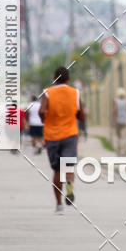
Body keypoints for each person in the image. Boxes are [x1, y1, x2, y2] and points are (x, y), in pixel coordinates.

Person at [39, 66, 85, 214]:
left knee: (57, 170)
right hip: (70, 134)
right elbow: (82, 115)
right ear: (69, 79)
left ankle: (59, 204)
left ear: (54, 78)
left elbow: (41, 111)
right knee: (69, 165)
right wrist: (75, 116)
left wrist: (44, 119)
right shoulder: (75, 93)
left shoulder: (48, 93)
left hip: (52, 136)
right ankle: (70, 183)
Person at [112, 88, 126, 155]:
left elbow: (114, 111)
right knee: (124, 137)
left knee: (118, 136)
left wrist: (113, 121)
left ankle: (119, 150)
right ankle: (123, 151)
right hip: (125, 121)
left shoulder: (115, 101)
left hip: (118, 121)